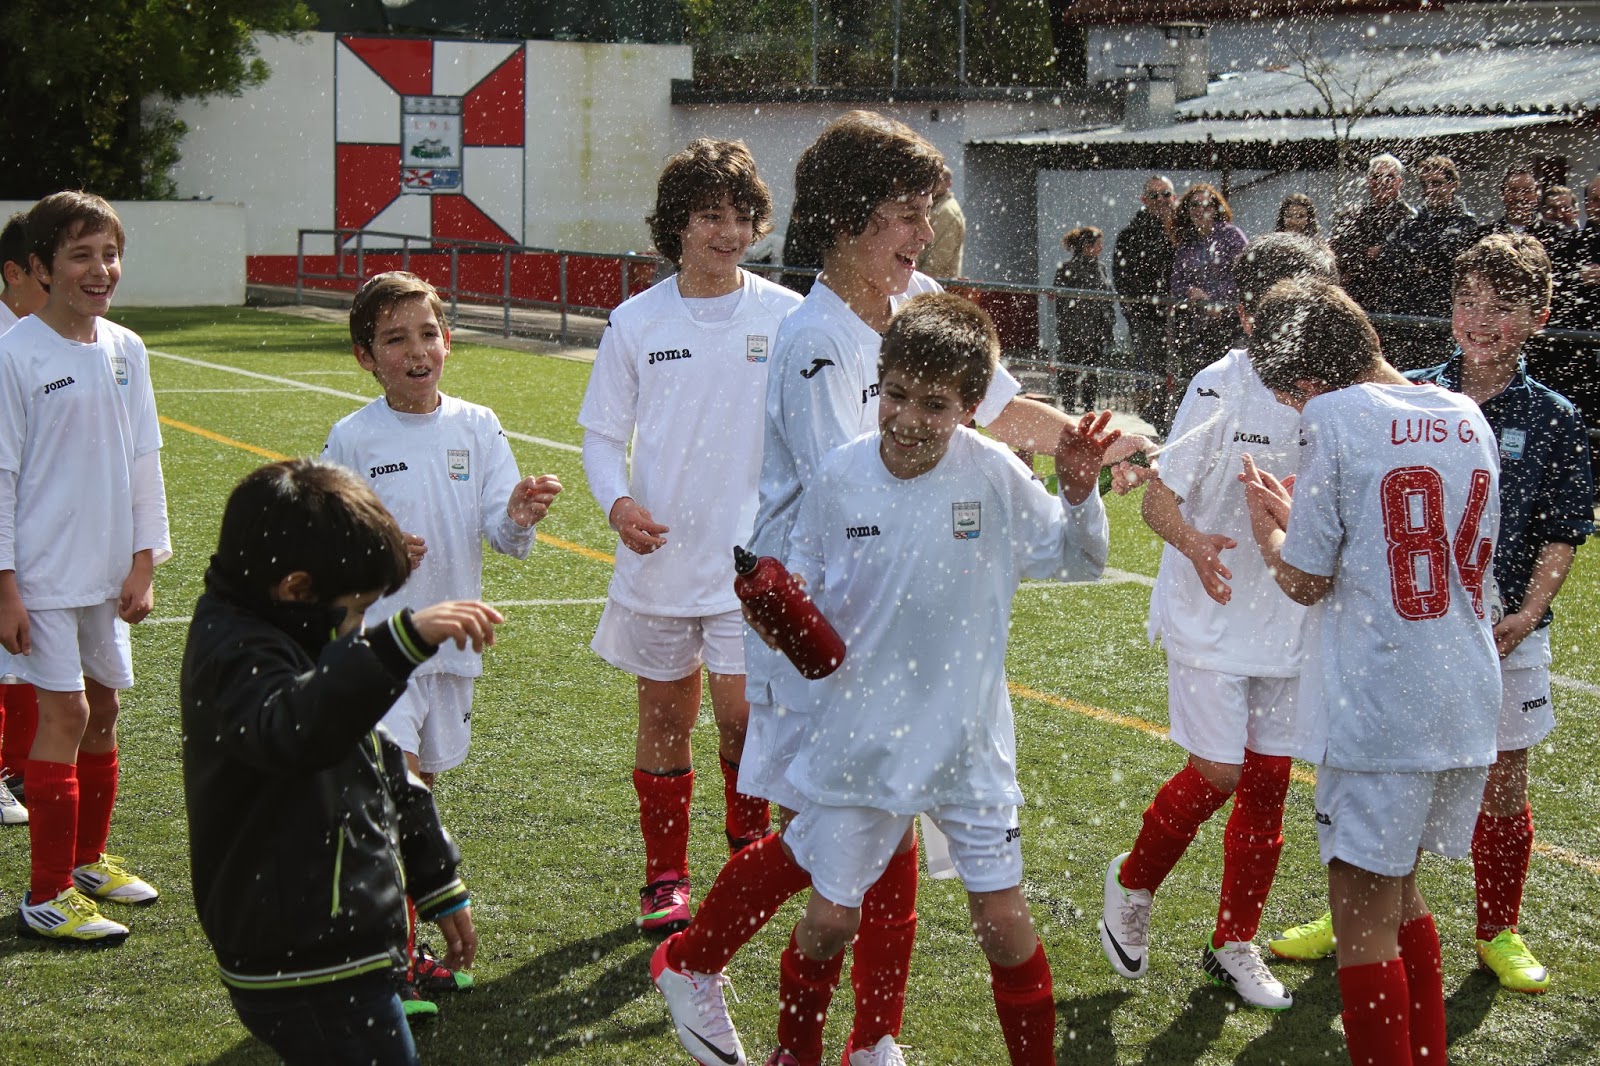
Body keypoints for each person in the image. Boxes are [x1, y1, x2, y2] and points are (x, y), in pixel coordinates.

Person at [649, 108, 1131, 1066]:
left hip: (902, 627)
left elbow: (999, 408)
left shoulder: (919, 306)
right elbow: (878, 484)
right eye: (907, 214)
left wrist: (1095, 449)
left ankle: (872, 1037)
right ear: (846, 219)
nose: (925, 233)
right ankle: (695, 962)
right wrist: (997, 499)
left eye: (928, 211)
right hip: (822, 630)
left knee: (878, 832)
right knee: (831, 847)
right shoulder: (816, 344)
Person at [770, 294, 1113, 1066]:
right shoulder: (840, 474)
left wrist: (1078, 493)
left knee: (1003, 924)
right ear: (879, 382)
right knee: (828, 922)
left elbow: (1077, 561)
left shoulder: (991, 475)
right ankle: (795, 1053)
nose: (909, 419)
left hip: (966, 742)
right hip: (862, 737)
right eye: (896, 395)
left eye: (935, 405)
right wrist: (781, 607)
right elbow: (801, 579)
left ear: (969, 407)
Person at [1270, 236, 1593, 997]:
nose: (1480, 320)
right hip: (1424, 635)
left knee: (1502, 780)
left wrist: (1529, 611)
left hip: (1499, 634)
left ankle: (1497, 927)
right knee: (1397, 792)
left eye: (1502, 306)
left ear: (1540, 317)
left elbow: (1562, 529)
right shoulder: (1414, 390)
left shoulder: (1552, 416)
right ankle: (1367, 906)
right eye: (1467, 302)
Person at [1242, 276, 1501, 1066]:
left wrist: (1269, 533)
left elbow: (1306, 579)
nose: (1295, 411)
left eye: (1290, 396)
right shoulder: (1465, 412)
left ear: (1306, 381)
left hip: (1384, 698)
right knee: (1400, 893)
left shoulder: (1334, 415)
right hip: (1461, 687)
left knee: (1360, 920)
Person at [181, 458, 496, 1066]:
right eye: (356, 610)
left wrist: (434, 874)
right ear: (297, 589)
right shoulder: (234, 651)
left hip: (334, 942)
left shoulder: (293, 634)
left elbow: (378, 760)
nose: (358, 629)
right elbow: (296, 732)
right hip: (303, 958)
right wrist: (396, 644)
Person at [1097, 233, 1336, 1011]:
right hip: (1212, 610)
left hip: (1292, 616)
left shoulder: (1336, 393)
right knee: (1219, 774)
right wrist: (1197, 543)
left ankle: (1234, 942)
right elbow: (1158, 499)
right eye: (1285, 311)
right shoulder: (1220, 385)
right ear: (1247, 315)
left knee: (1269, 785)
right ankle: (1134, 881)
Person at [577, 139, 799, 934]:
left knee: (745, 717)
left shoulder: (788, 315)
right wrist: (618, 504)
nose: (729, 232)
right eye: (711, 216)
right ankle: (665, 878)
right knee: (666, 719)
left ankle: (747, 850)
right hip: (662, 557)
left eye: (742, 216)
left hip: (753, 563)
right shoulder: (637, 320)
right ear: (677, 224)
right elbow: (603, 435)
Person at [321, 270, 560, 1009]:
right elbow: (328, 544)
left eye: (428, 333)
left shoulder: (478, 426)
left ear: (448, 341)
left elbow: (502, 534)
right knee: (400, 796)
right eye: (396, 339)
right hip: (381, 650)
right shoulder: (353, 437)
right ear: (367, 357)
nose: (416, 350)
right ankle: (390, 957)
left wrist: (518, 513)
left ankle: (396, 946)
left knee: (418, 798)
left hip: (452, 647)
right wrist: (378, 550)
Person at [0, 191, 171, 946]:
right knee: (64, 715)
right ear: (41, 267)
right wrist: (4, 585)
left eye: (110, 254)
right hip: (41, 574)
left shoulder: (127, 348)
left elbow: (144, 460)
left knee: (103, 712)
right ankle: (46, 895)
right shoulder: (14, 354)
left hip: (107, 573)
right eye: (81, 255)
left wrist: (144, 561)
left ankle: (87, 860)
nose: (101, 269)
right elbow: (2, 476)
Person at [0, 210, 46, 827]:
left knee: (29, 651)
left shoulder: (55, 340)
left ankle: (18, 769)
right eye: (45, 273)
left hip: (35, 525)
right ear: (15, 273)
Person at [1381, 154, 1480, 371]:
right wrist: (1426, 260)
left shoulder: (1467, 223)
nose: (1430, 189)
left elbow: (1451, 255)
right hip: (1407, 318)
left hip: (1443, 320)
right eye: (1425, 184)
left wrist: (1418, 256)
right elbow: (1389, 257)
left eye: (1436, 183)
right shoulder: (1410, 222)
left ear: (1453, 185)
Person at [1169, 183, 1248, 402]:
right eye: (1194, 205)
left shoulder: (1231, 235)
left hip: (1231, 323)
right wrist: (1190, 291)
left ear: (1216, 209)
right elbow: (1176, 281)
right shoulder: (1187, 242)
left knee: (1231, 383)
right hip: (1198, 326)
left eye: (1206, 205)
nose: (1200, 210)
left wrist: (1214, 299)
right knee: (1200, 385)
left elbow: (1245, 274)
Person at [1113, 175, 1178, 425]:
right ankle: (1162, 421)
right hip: (1148, 317)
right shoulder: (1131, 235)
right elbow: (1123, 278)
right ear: (1144, 199)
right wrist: (1139, 309)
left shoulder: (1184, 230)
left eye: (1165, 194)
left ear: (1174, 197)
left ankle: (1174, 419)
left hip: (1184, 315)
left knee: (1184, 372)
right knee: (1157, 372)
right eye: (1153, 195)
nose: (1160, 199)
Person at [1328, 153, 1415, 313]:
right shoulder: (1351, 215)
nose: (1382, 181)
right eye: (1376, 177)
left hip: (1396, 301)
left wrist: (1382, 252)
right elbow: (1337, 252)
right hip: (1356, 299)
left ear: (1399, 182)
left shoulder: (1411, 218)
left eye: (1389, 177)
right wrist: (1366, 254)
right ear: (1368, 180)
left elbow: (1410, 258)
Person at [1052, 225, 1115, 412]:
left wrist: (1107, 321)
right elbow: (1061, 300)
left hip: (1094, 326)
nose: (1101, 248)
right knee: (1071, 366)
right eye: (1098, 244)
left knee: (1091, 367)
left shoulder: (1100, 268)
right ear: (1086, 246)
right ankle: (1069, 402)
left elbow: (1107, 296)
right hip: (1074, 327)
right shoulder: (1068, 269)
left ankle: (1088, 404)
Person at [921, 165, 966, 278]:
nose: (932, 184)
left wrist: (922, 279)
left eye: (938, 180)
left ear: (948, 184)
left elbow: (941, 255)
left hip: (938, 282)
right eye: (930, 179)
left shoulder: (947, 211)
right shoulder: (933, 205)